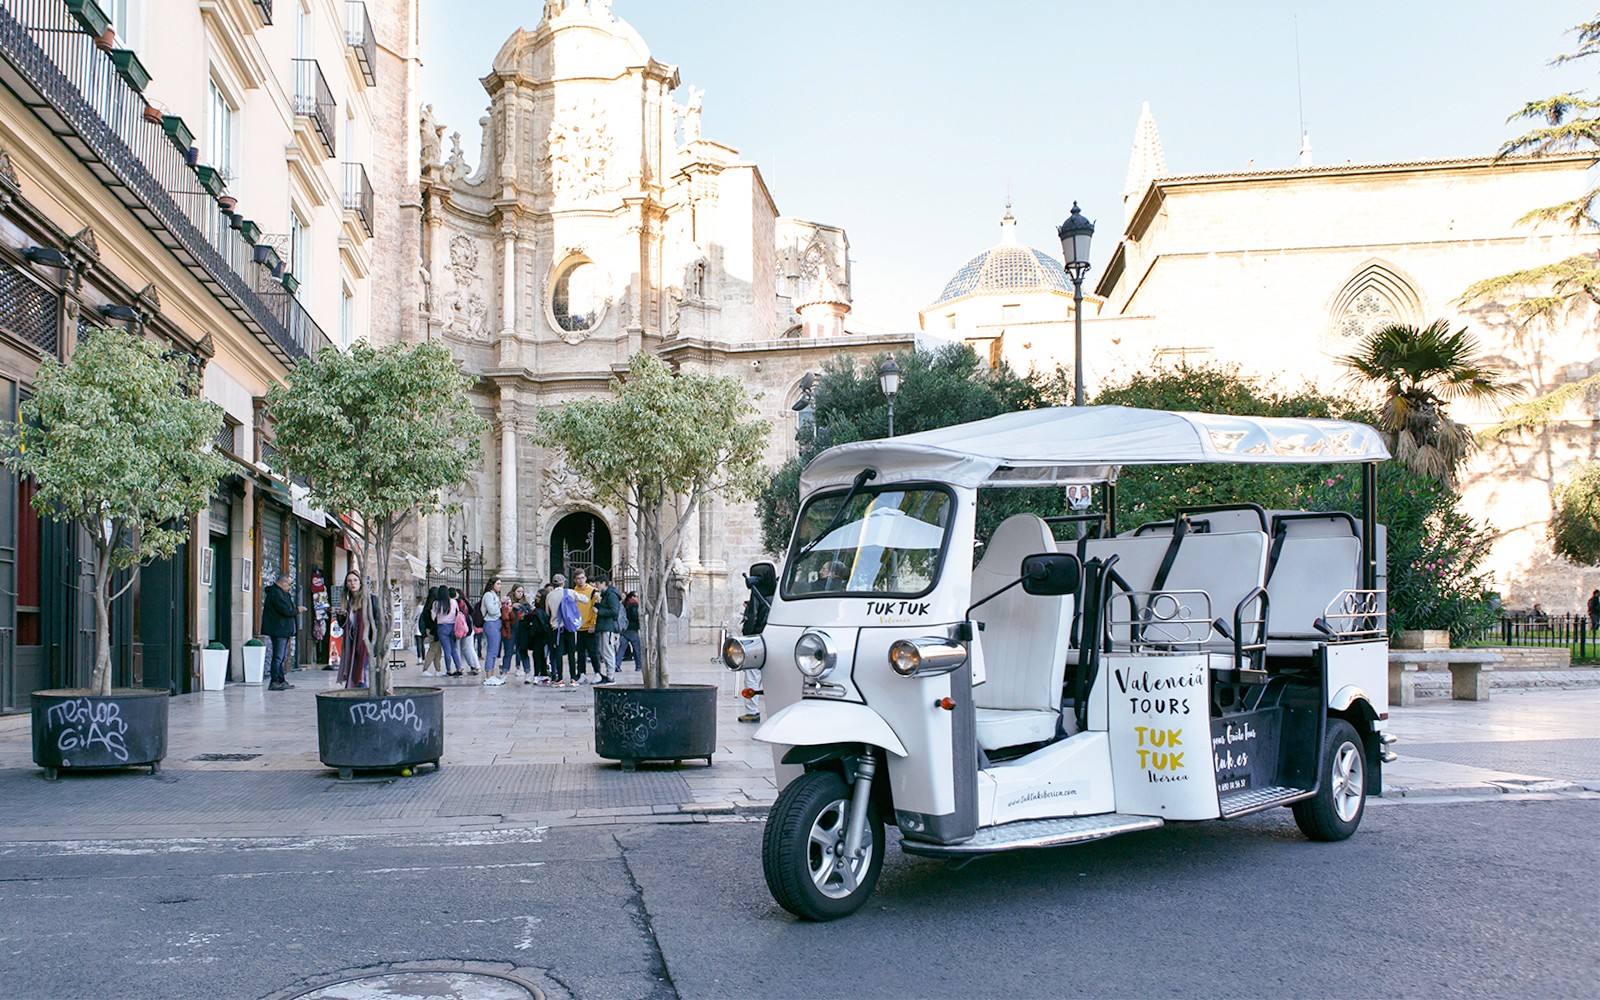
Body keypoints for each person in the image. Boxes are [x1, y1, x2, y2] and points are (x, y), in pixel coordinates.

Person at [337, 571, 380, 690]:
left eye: (355, 580)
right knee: (355, 669)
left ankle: (362, 697)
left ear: (361, 583)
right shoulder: (347, 602)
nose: (352, 583)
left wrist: (374, 639)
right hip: (351, 643)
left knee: (359, 670)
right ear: (346, 584)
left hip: (365, 642)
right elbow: (344, 625)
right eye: (349, 581)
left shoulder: (370, 600)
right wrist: (341, 617)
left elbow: (379, 620)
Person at [260, 573, 302, 691]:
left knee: (282, 656)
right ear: (282, 583)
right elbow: (287, 610)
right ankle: (275, 681)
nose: (290, 587)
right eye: (289, 584)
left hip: (282, 629)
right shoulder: (276, 594)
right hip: (279, 629)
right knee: (278, 656)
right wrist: (297, 610)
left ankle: (281, 680)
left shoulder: (282, 593)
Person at [545, 573, 582, 687]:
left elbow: (547, 612)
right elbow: (583, 599)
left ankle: (559, 678)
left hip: (557, 628)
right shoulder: (570, 592)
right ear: (564, 583)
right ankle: (573, 678)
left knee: (558, 654)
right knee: (571, 653)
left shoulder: (549, 596)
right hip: (569, 627)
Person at [572, 569, 603, 684]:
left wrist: (593, 624)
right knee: (580, 653)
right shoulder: (573, 591)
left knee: (593, 651)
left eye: (582, 578)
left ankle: (597, 673)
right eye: (578, 578)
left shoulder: (592, 591)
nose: (580, 580)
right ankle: (582, 673)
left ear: (585, 578)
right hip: (578, 626)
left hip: (589, 626)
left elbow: (595, 608)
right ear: (575, 580)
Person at [594, 573, 622, 683]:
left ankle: (611, 676)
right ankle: (608, 674)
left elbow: (614, 611)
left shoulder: (611, 595)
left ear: (603, 583)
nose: (596, 587)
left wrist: (599, 611)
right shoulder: (604, 594)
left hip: (608, 627)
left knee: (608, 651)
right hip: (602, 626)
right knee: (603, 651)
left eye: (598, 584)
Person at [432, 585, 464, 677]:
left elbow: (434, 614)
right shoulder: (453, 602)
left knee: (447, 650)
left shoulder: (436, 603)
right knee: (454, 649)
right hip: (452, 626)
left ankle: (449, 669)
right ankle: (458, 667)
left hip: (441, 627)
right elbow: (457, 613)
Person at [480, 578, 506, 686]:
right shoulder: (488, 595)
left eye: (500, 584)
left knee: (495, 651)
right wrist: (501, 602)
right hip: (491, 623)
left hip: (496, 623)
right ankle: (488, 676)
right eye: (498, 584)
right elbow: (492, 610)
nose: (500, 586)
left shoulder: (493, 595)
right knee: (491, 651)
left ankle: (491, 674)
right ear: (492, 584)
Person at [451, 587, 482, 675]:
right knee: (465, 648)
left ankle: (474, 666)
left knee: (465, 648)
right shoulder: (465, 603)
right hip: (467, 627)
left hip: (463, 628)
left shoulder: (458, 603)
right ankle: (464, 666)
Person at [619, 591, 641, 670]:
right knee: (637, 649)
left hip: (624, 629)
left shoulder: (624, 604)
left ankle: (617, 665)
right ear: (632, 597)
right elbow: (635, 616)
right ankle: (639, 666)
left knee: (621, 649)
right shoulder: (634, 605)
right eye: (636, 596)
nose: (637, 598)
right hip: (632, 629)